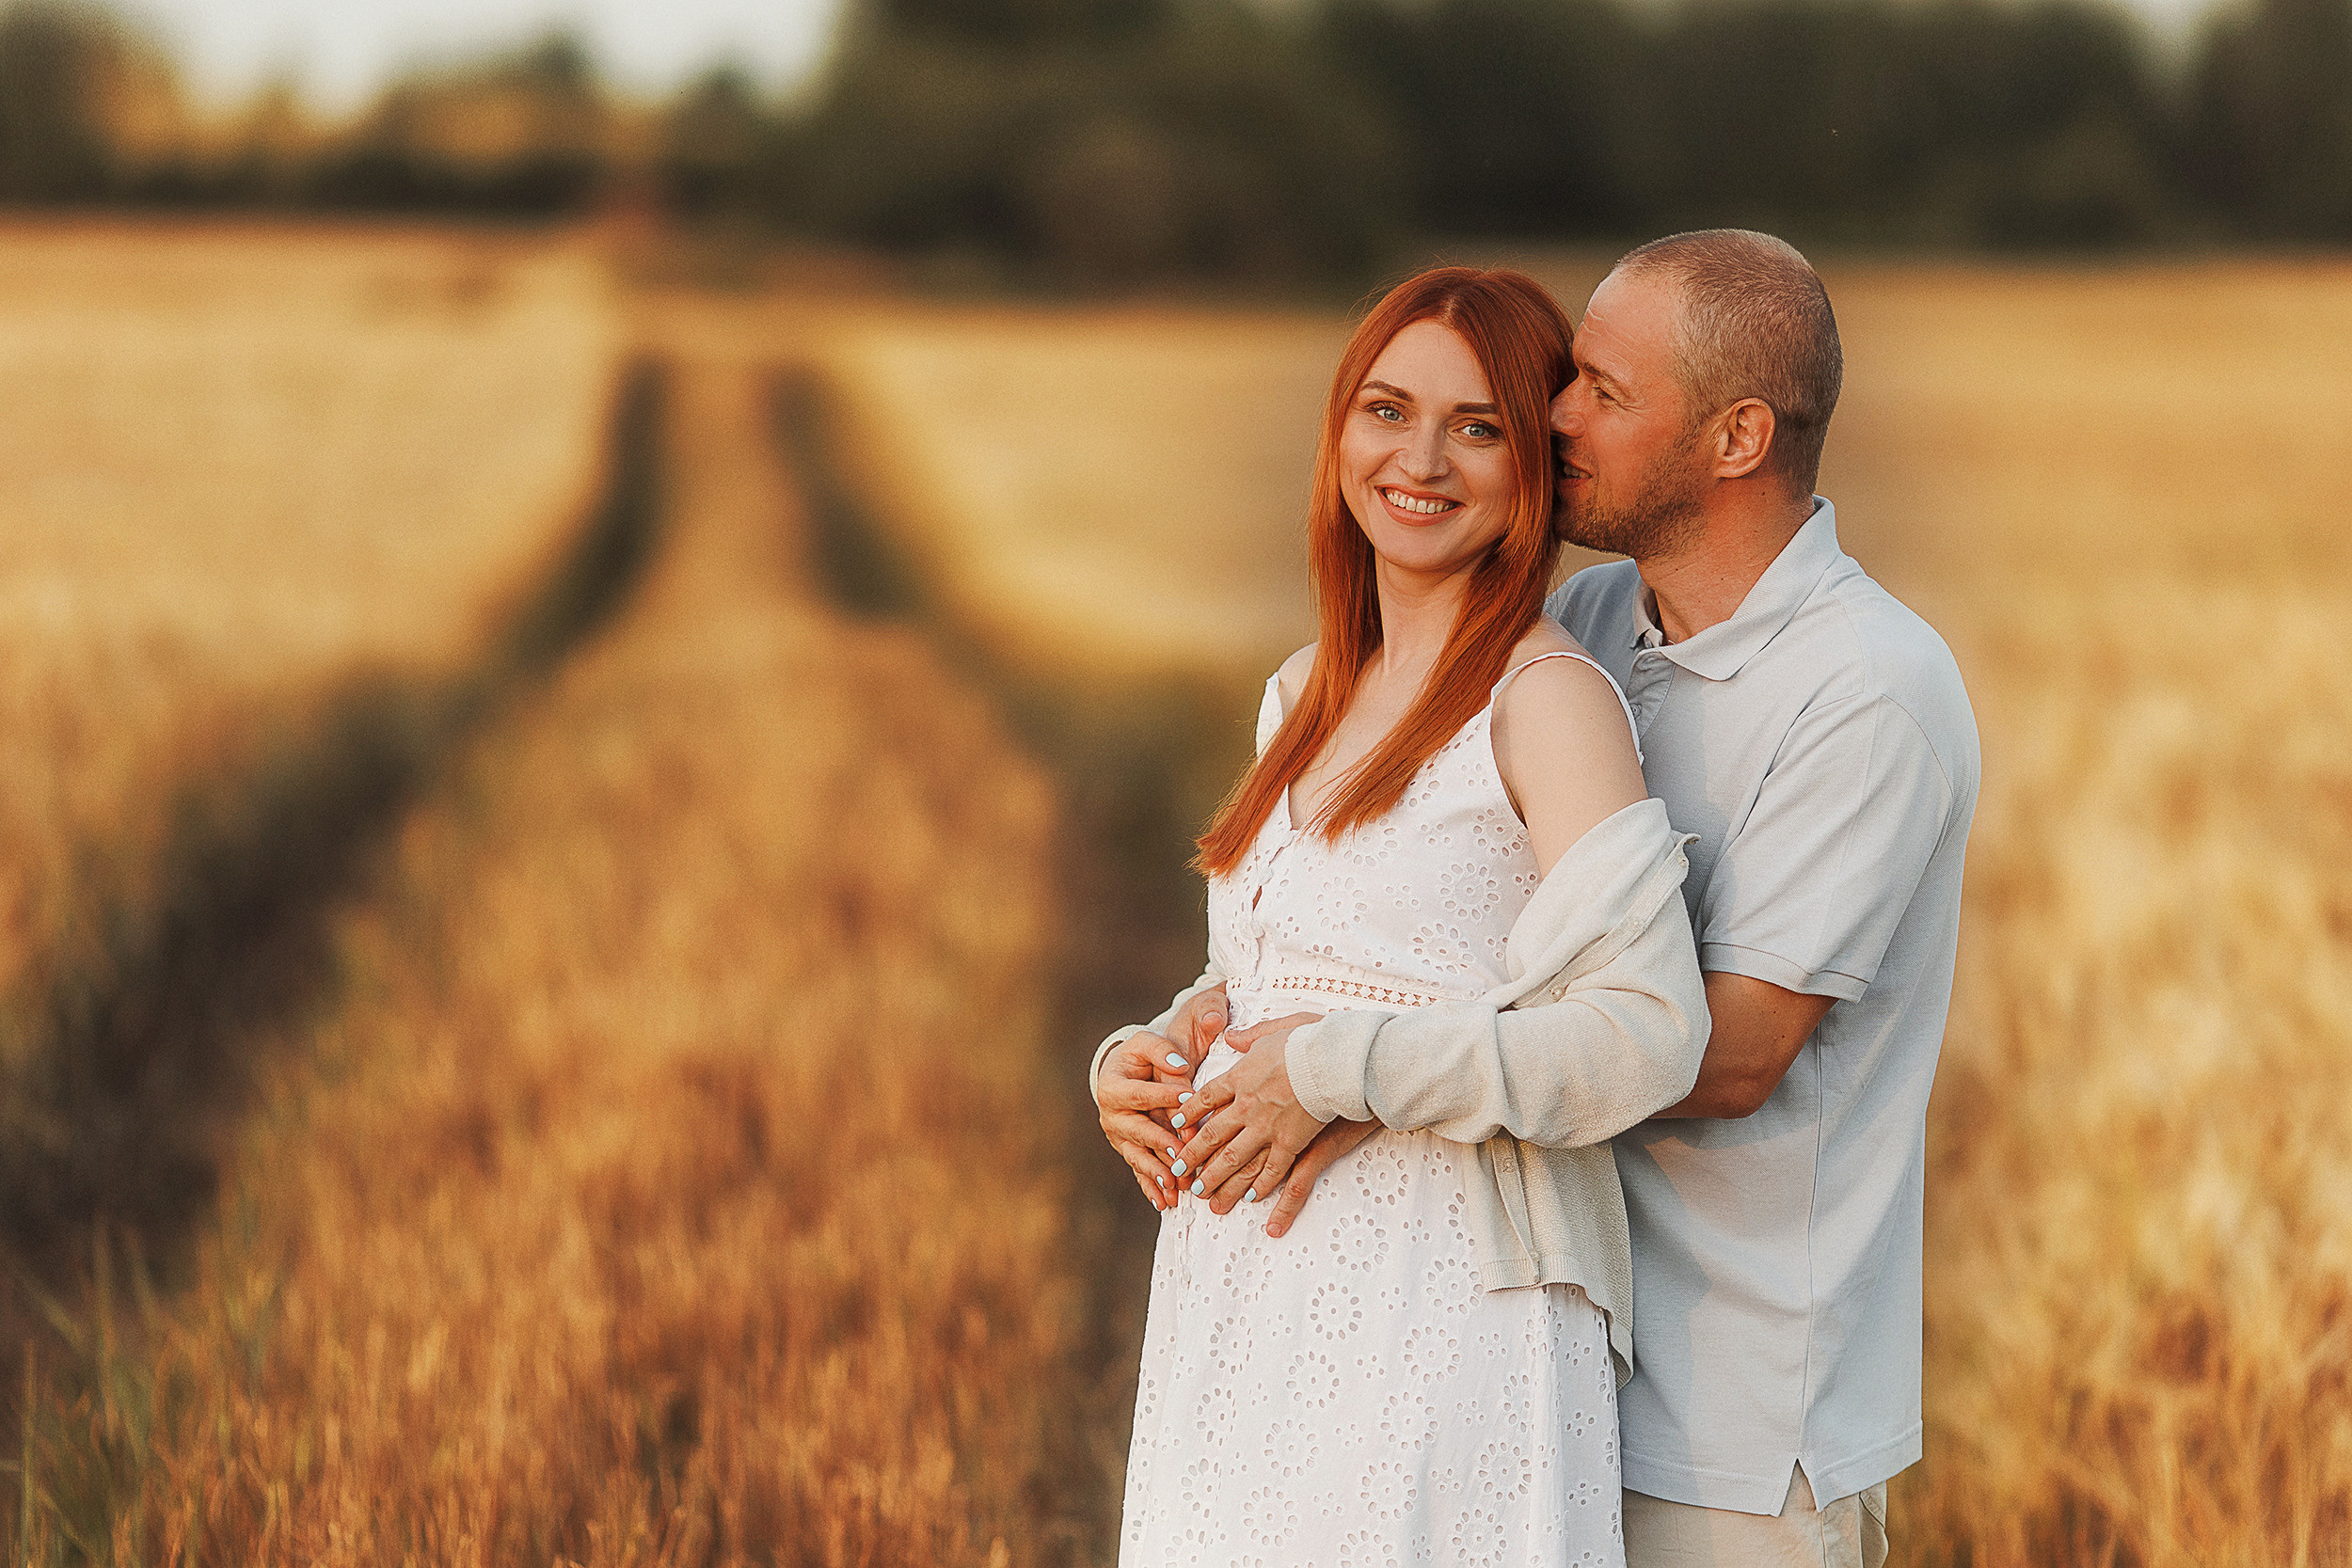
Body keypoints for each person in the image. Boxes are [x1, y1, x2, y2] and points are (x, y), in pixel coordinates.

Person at [1100, 231, 1979, 1568]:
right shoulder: (1604, 616)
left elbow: (1717, 1050)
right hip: (1492, 1325)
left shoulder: (1865, 691)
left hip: (1731, 1421)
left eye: (1602, 394)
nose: (1556, 416)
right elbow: (1387, 927)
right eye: (1562, 385)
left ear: (1738, 436)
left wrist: (1349, 1072)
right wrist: (1194, 1047)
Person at [1105, 265, 1711, 1567]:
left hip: (1440, 1304)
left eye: (1479, 426)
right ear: (1339, 434)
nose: (1420, 458)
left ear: (1533, 468)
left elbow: (1648, 1032)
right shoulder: (1302, 692)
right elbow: (1278, 977)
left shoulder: (1546, 703)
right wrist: (1145, 1058)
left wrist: (1338, 1072)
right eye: (1388, 409)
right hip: (1246, 1294)